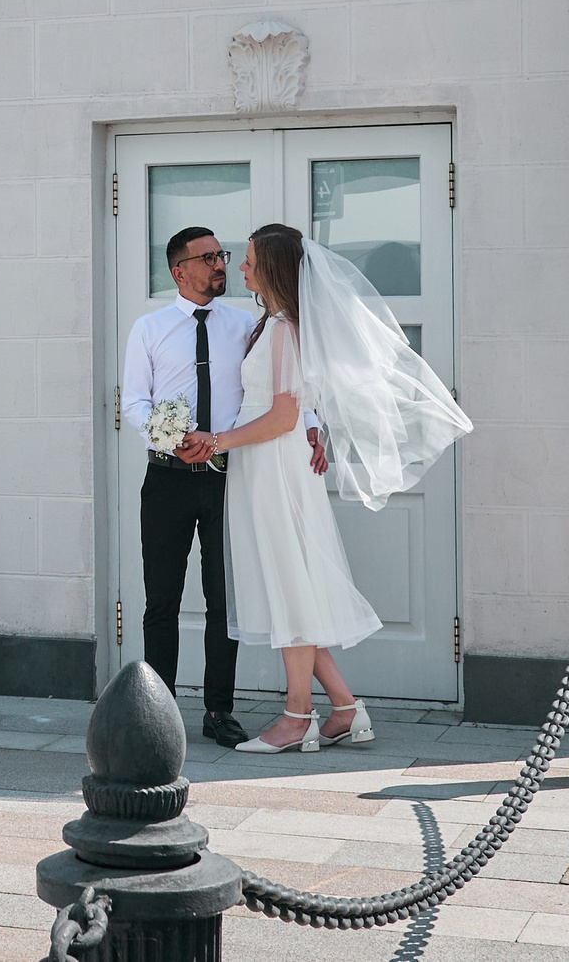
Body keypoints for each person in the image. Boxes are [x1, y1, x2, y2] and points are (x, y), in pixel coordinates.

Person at [206, 223, 471, 753]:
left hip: (274, 465)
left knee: (290, 584)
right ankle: (345, 709)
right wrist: (304, 425)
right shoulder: (277, 324)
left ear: (274, 268)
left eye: (250, 260)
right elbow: (294, 408)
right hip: (268, 464)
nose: (240, 268)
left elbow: (280, 415)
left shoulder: (283, 329)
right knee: (295, 584)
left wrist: (217, 441)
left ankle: (296, 717)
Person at [123, 227, 322, 747]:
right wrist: (168, 437)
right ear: (178, 270)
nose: (220, 265)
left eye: (223, 255)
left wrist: (314, 424)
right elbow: (134, 403)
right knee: (160, 602)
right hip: (166, 480)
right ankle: (157, 714)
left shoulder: (248, 325)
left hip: (227, 483)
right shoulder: (148, 328)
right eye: (207, 257)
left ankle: (218, 711)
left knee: (222, 602)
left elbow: (290, 383)